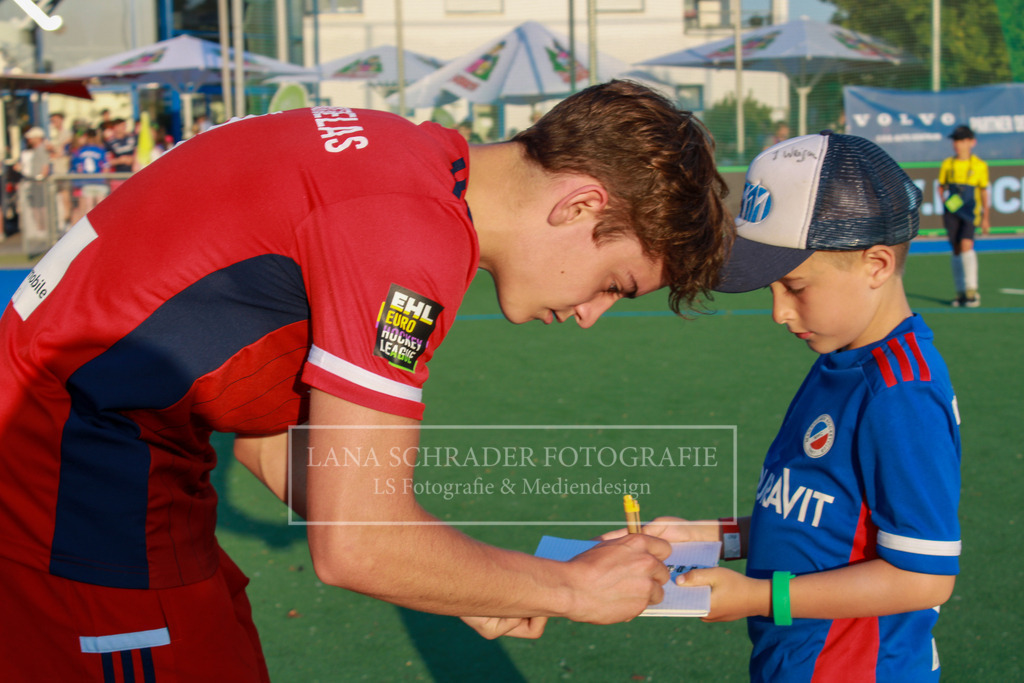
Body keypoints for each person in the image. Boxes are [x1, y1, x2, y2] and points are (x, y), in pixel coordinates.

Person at [0, 80, 731, 680]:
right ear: (579, 206)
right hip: (77, 497)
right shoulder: (409, 230)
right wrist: (572, 585)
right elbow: (355, 545)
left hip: (109, 469)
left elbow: (263, 440)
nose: (593, 314)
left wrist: (465, 577)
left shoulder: (409, 154)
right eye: (616, 282)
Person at [604, 132, 961, 681]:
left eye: (794, 286)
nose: (779, 312)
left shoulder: (901, 392)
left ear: (876, 264)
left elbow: (922, 578)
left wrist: (757, 596)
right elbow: (818, 519)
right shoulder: (841, 359)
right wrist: (707, 535)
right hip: (794, 661)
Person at [938, 124, 989, 307]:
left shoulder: (979, 165)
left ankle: (971, 291)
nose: (958, 145)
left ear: (971, 142)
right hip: (951, 211)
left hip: (969, 211)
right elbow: (941, 186)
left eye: (962, 140)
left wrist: (985, 217)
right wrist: (944, 201)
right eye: (956, 141)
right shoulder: (948, 164)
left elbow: (983, 191)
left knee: (967, 245)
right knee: (956, 249)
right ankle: (960, 293)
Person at [68, 128, 110, 224]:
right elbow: (106, 166)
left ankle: (91, 230)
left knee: (88, 208)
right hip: (99, 182)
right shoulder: (100, 150)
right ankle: (101, 226)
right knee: (101, 206)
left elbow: (77, 167)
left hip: (86, 182)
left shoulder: (79, 151)